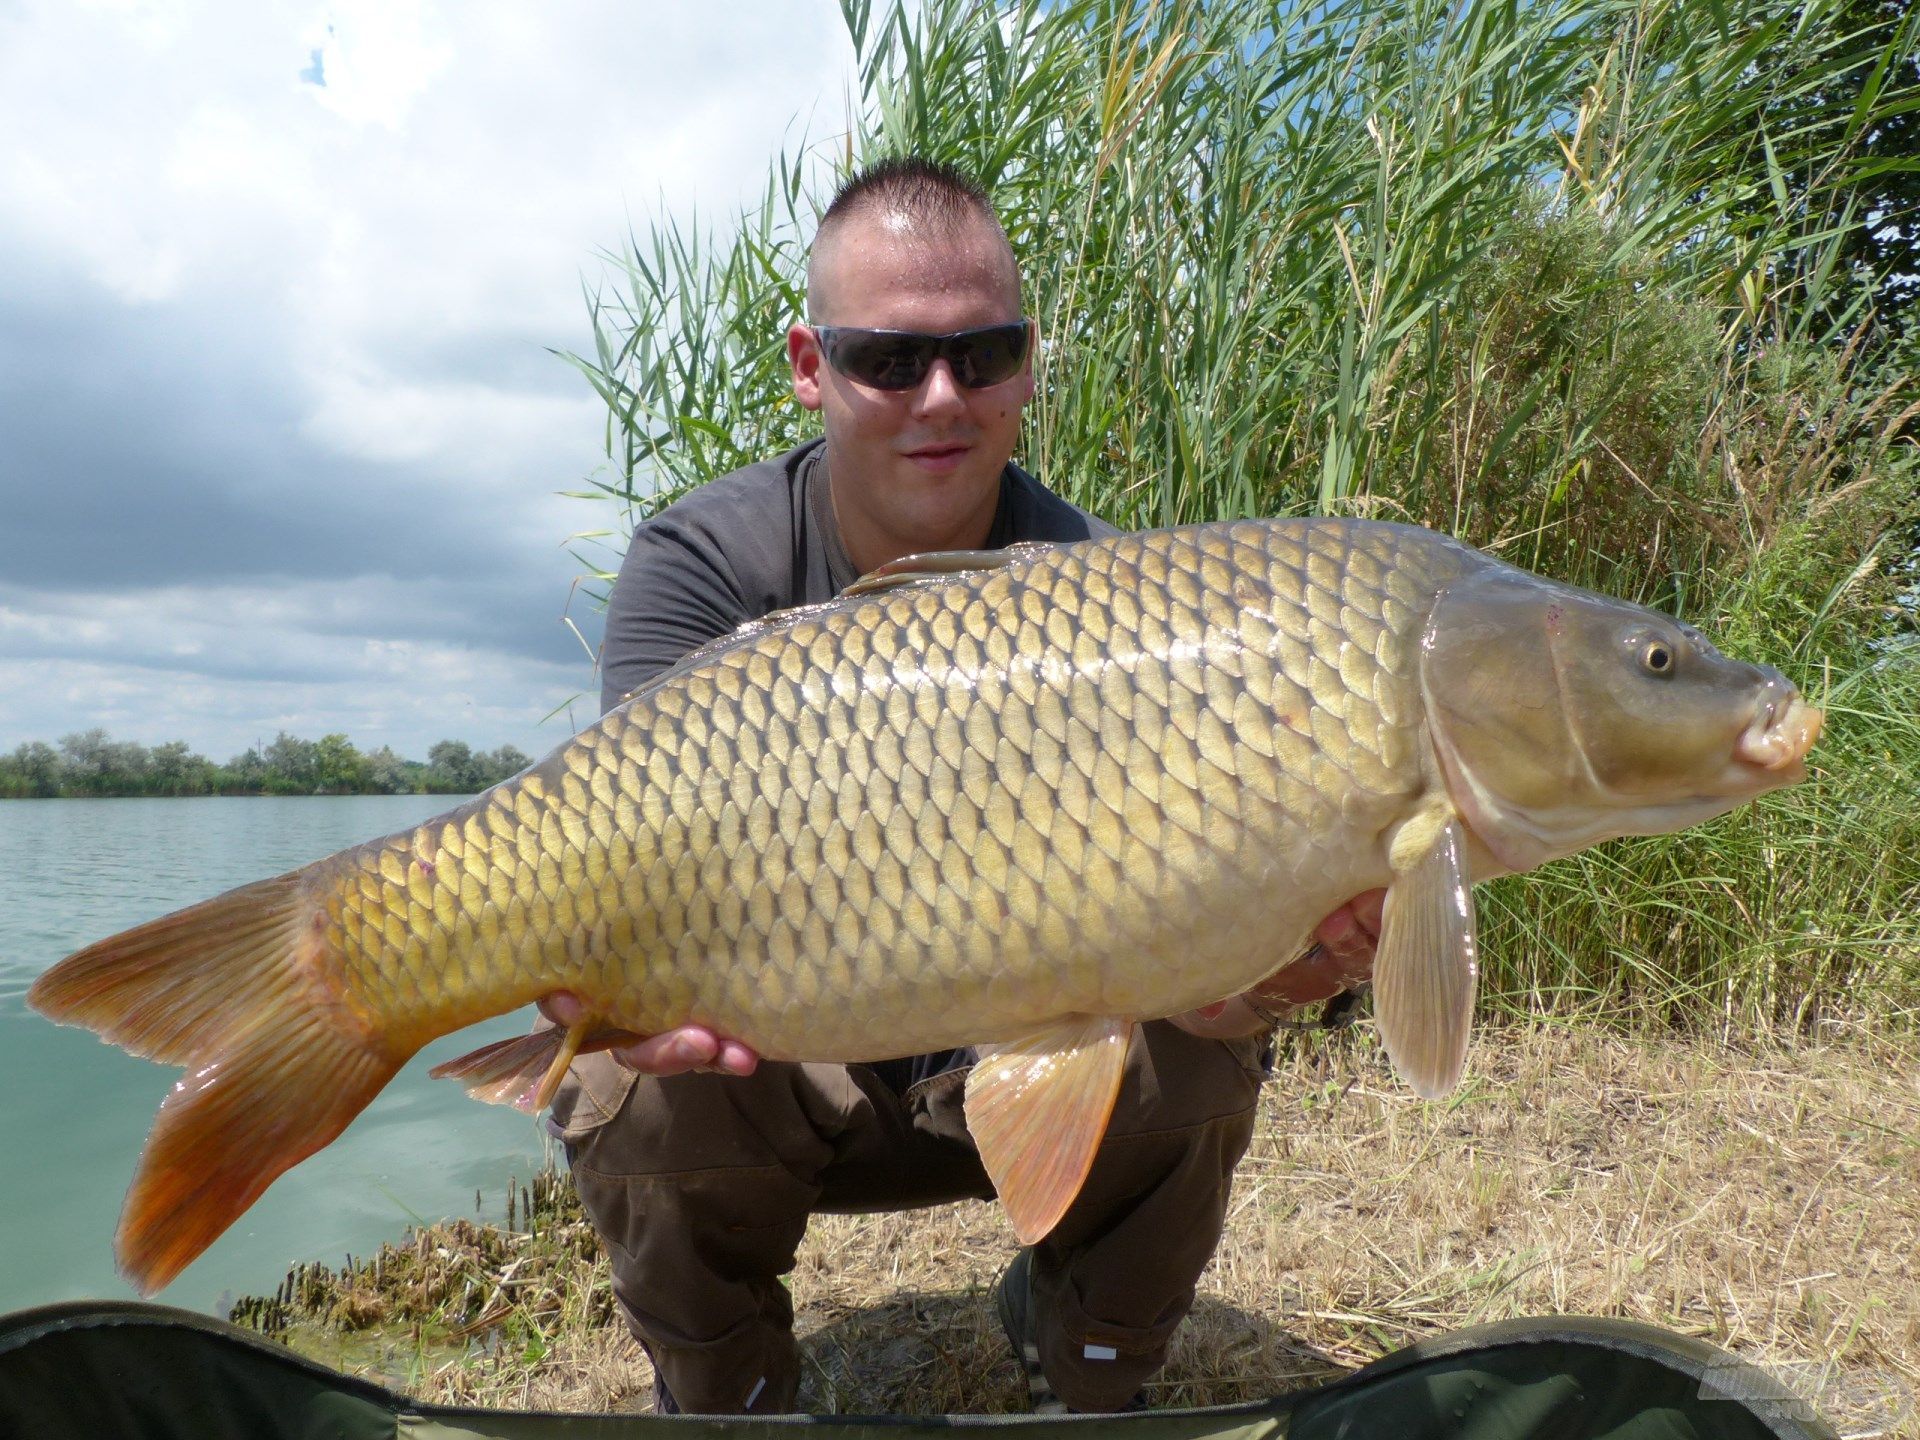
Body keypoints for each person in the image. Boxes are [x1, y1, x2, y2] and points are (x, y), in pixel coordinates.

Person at [542, 156, 1382, 1417]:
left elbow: (1212, 917)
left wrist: (1263, 979)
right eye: (888, 358)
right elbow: (633, 851)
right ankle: (732, 1394)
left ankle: (1088, 1359)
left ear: (1028, 362)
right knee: (633, 1072)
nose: (942, 396)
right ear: (809, 364)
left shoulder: (1113, 596)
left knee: (1208, 1045)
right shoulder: (704, 561)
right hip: (779, 1068)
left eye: (982, 355)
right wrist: (611, 978)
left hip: (1007, 1068)